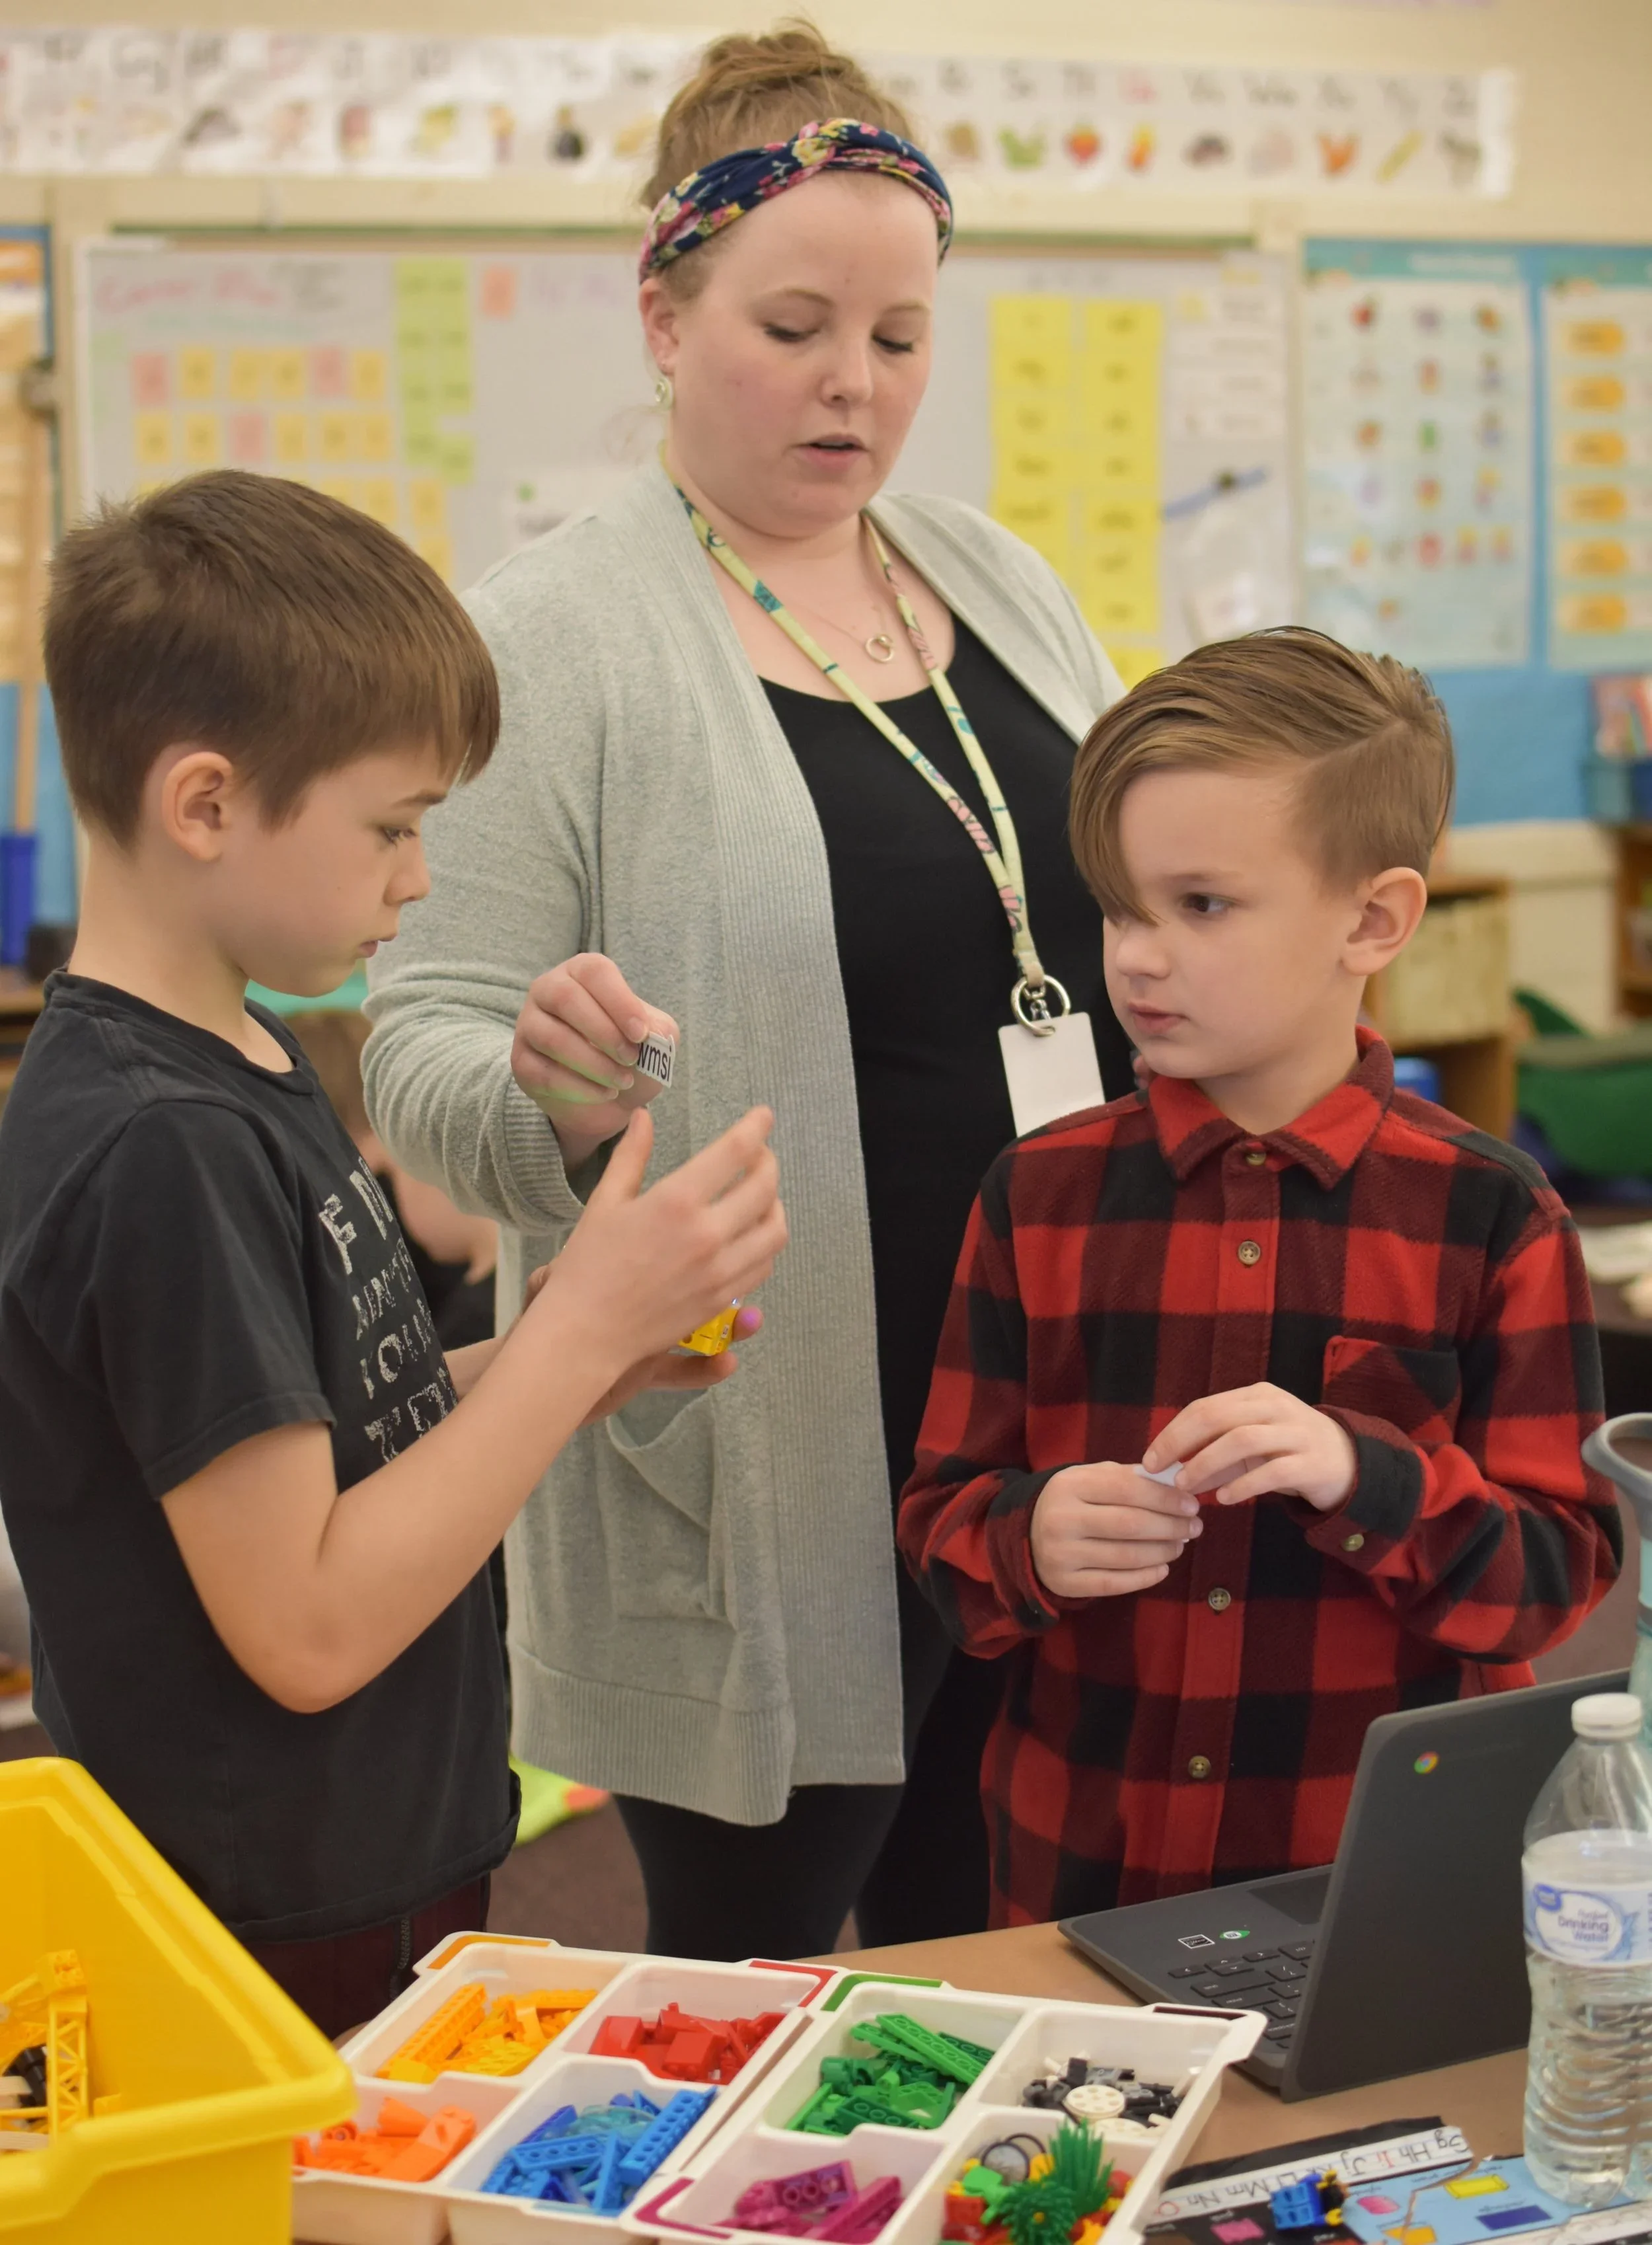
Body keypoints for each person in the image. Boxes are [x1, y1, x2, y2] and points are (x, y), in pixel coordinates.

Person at [363, 26, 1135, 1959]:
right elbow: (426, 1040)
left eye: (896, 337)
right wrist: (547, 1094)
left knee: (1020, 1953)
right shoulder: (546, 635)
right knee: (760, 1986)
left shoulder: (1004, 583)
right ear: (662, 308)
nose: (851, 385)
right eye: (794, 325)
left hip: (1048, 1412)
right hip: (765, 1438)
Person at [0, 471, 785, 2036]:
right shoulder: (159, 1144)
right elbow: (306, 1624)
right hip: (258, 1920)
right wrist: (562, 1356)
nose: (417, 879)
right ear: (207, 803)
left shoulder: (245, 1060)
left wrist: (559, 1351)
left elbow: (318, 1427)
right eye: (392, 828)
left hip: (370, 1861)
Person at [898, 627, 1624, 1927]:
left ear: (1372, 919)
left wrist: (1363, 1477)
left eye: (1201, 905)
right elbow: (943, 1533)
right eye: (1118, 906)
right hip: (1076, 1877)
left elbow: (1554, 1574)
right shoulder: (1035, 1196)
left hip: (1376, 1892)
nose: (1136, 954)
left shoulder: (1491, 1214)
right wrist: (1033, 1538)